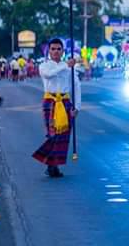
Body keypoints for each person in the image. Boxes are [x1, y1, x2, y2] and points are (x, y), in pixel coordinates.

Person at [32, 38, 81, 178]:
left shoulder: (70, 68)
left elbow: (76, 86)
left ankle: (53, 166)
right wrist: (66, 65)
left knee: (64, 134)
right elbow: (49, 75)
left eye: (59, 49)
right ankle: (49, 163)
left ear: (63, 51)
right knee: (53, 134)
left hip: (65, 102)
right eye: (53, 49)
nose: (56, 51)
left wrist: (77, 107)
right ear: (49, 51)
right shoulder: (44, 66)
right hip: (50, 102)